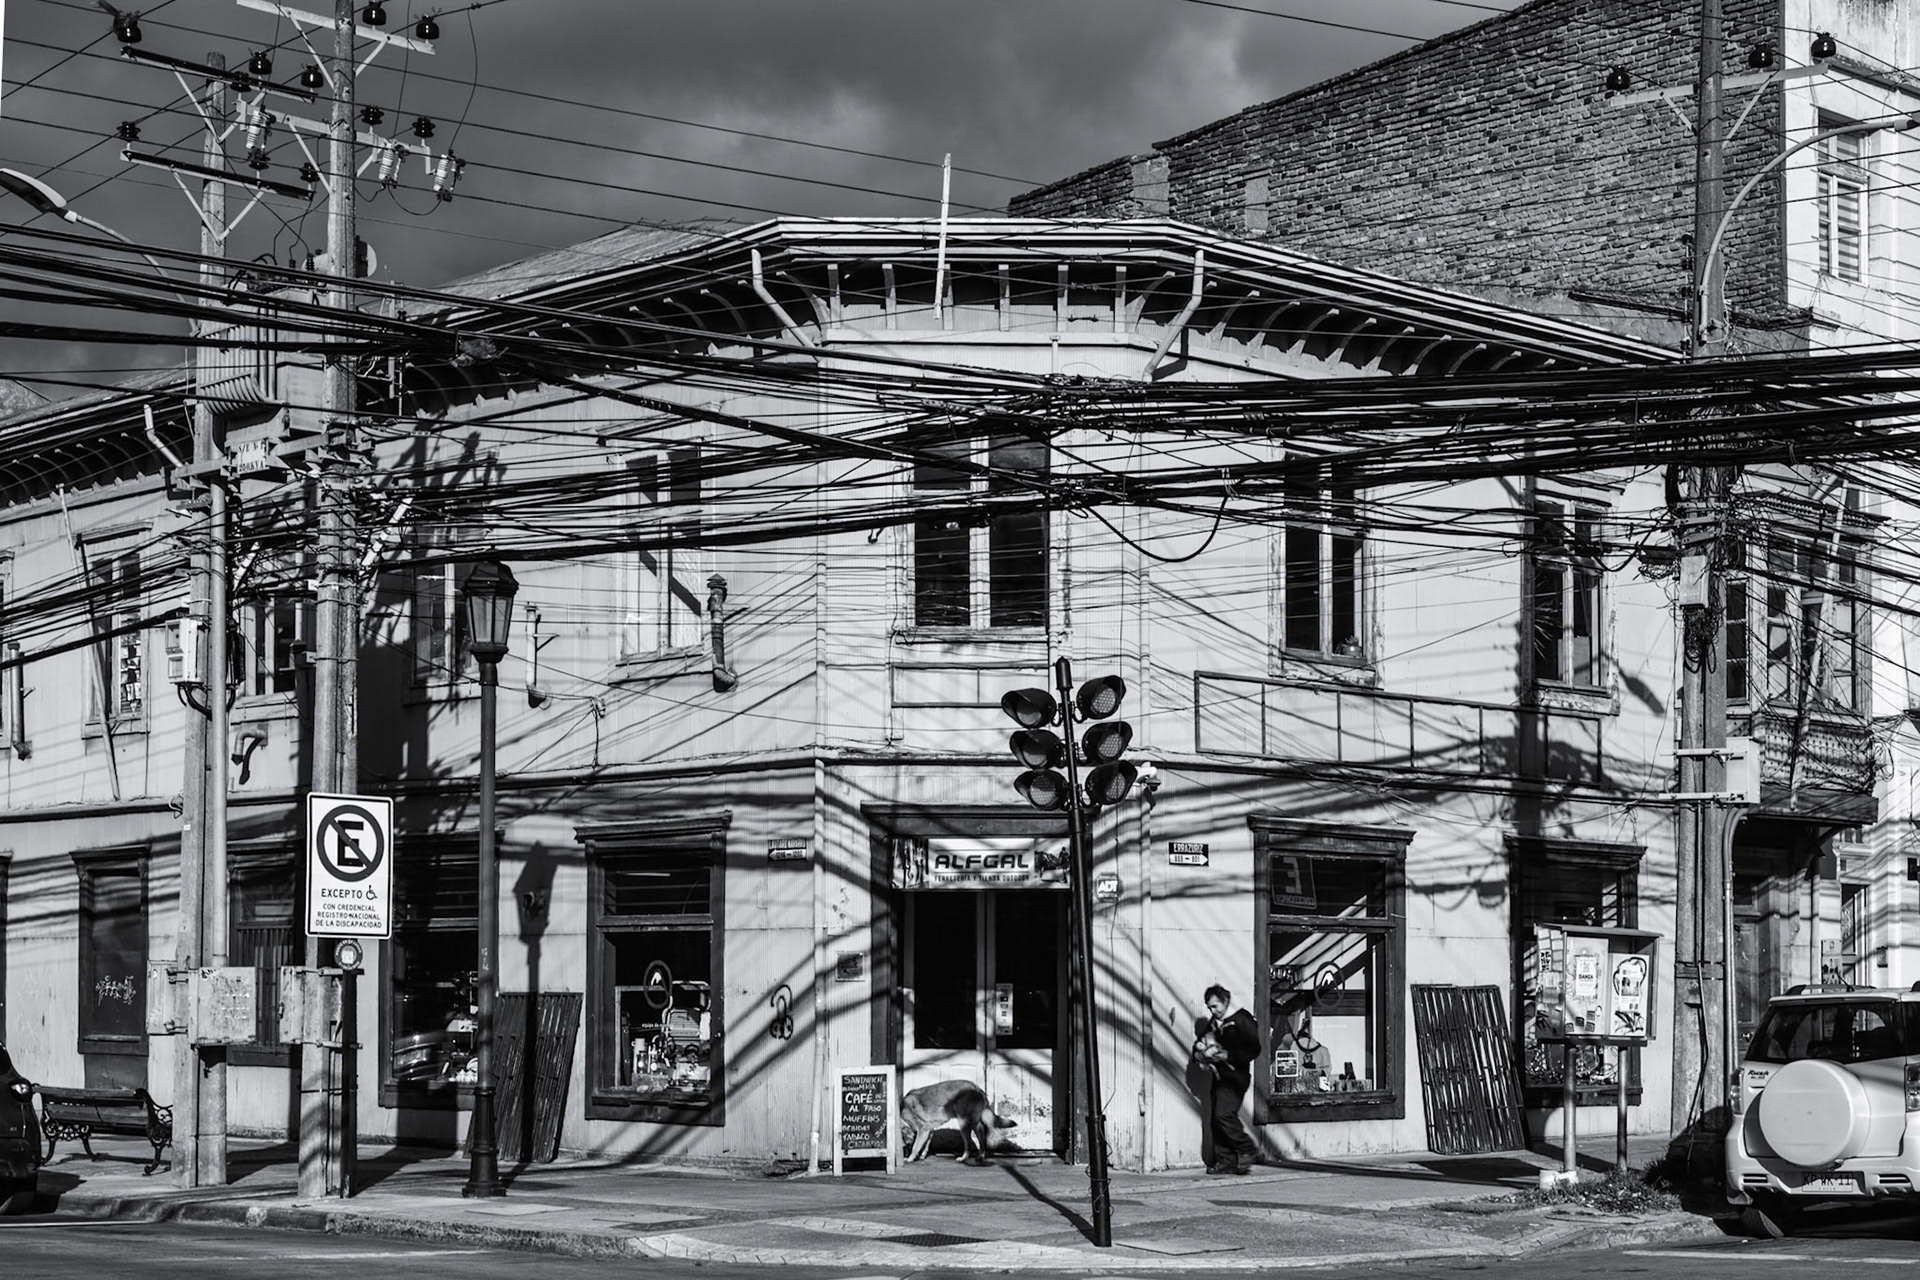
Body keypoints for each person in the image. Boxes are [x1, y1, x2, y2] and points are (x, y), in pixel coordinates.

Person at [1195, 983, 1261, 1174]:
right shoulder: (1214, 1024)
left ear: (1225, 1001)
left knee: (1223, 1114)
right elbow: (1199, 1043)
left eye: (1215, 1006)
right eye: (1209, 1008)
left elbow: (1254, 1049)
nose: (1212, 1011)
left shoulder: (1242, 1019)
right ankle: (1225, 1160)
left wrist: (1228, 1056)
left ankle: (1247, 1148)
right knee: (1216, 1119)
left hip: (1235, 1077)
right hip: (1219, 1077)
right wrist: (1199, 1052)